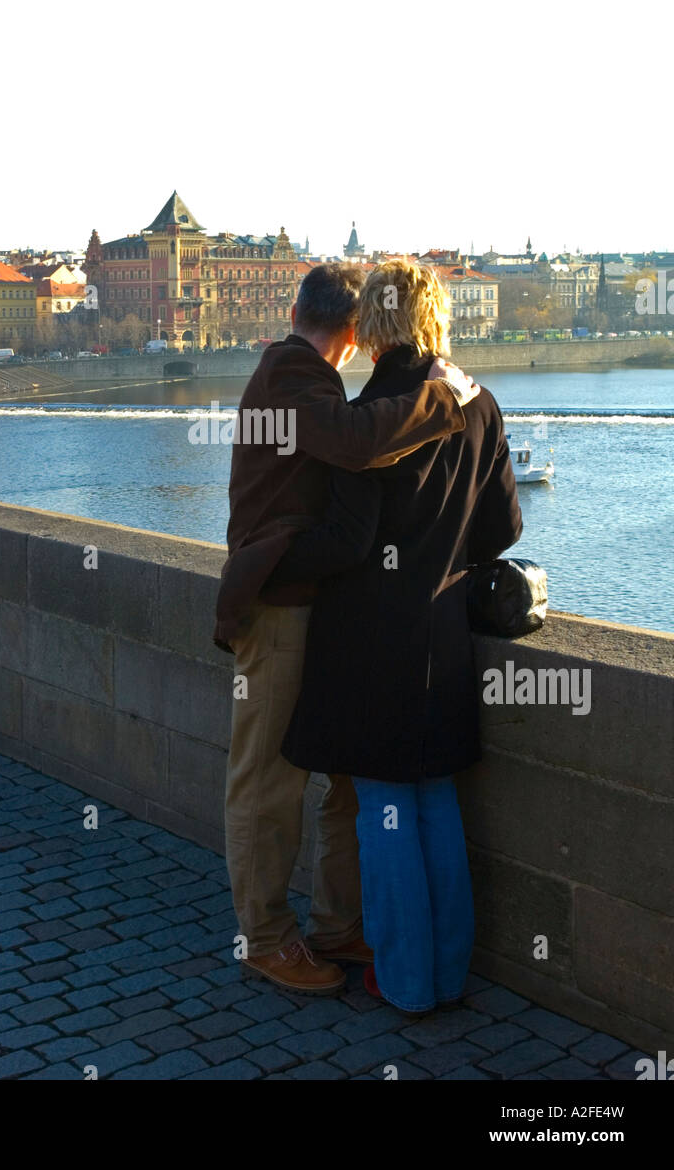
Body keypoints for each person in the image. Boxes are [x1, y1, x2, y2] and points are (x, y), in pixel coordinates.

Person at [216, 262, 480, 994]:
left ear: (303, 306)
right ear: (359, 326)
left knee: (344, 780)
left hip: (319, 604)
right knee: (268, 781)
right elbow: (360, 445)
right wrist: (443, 393)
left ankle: (340, 925)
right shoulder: (292, 373)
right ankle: (266, 940)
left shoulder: (310, 377)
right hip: (279, 608)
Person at [266, 258, 522, 1012]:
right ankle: (444, 974)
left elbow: (349, 540)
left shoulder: (369, 411)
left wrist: (270, 556)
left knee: (384, 808)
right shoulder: (479, 401)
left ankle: (405, 982)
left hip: (369, 643)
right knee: (435, 797)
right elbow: (503, 528)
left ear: (371, 324)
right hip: (443, 635)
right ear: (435, 313)